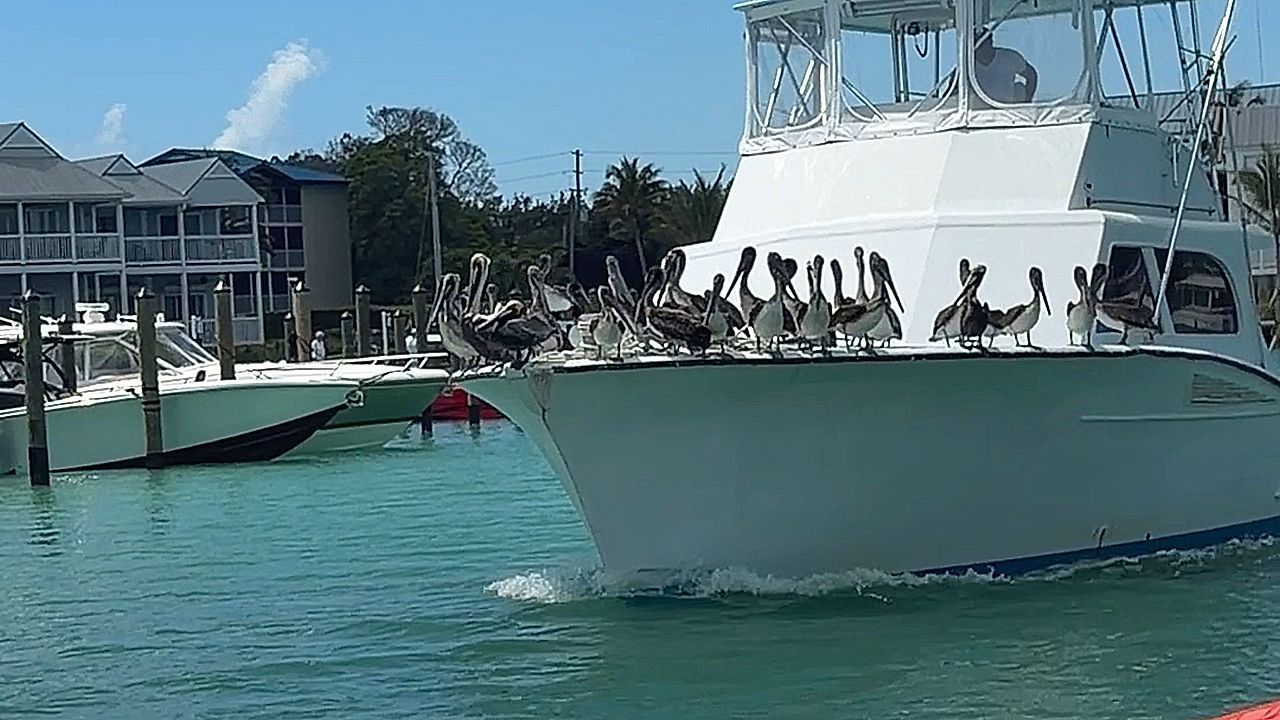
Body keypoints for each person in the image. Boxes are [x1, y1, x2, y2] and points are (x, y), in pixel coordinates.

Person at [973, 27, 1038, 104]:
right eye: (977, 44)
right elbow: (955, 85)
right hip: (979, 113)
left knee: (1019, 88)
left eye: (983, 43)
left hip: (1008, 111)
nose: (981, 47)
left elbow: (1031, 74)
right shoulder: (966, 66)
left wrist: (1027, 100)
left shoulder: (1009, 57)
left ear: (991, 41)